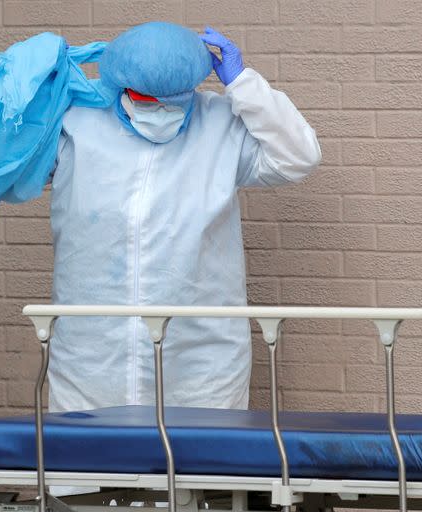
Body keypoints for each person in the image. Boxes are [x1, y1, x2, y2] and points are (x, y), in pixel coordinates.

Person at [46, 22, 321, 416]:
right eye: (146, 100)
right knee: (83, 464)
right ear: (122, 88)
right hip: (93, 354)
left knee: (199, 467)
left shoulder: (219, 124)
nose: (160, 111)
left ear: (191, 89)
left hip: (200, 358)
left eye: (172, 102)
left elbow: (299, 156)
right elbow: (5, 169)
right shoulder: (79, 123)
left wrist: (243, 84)